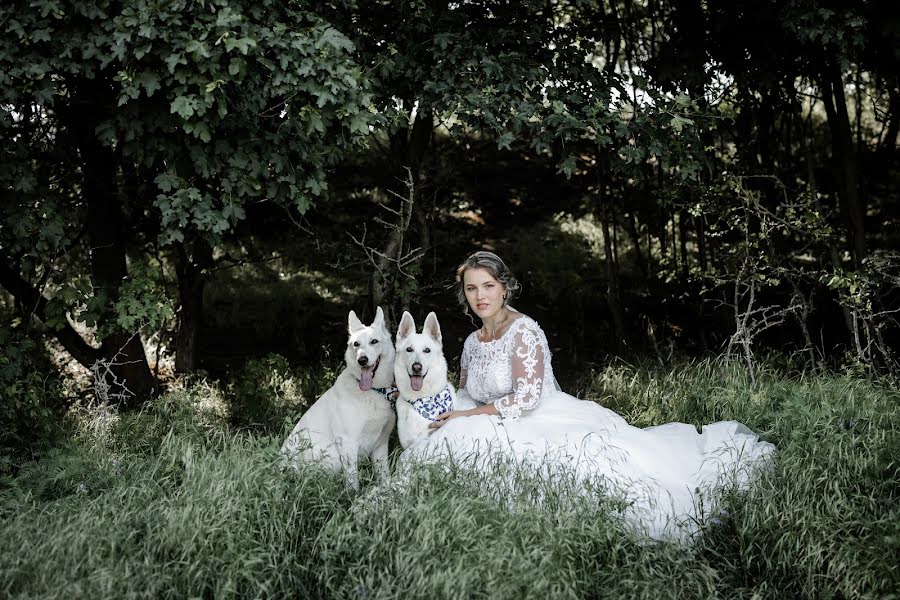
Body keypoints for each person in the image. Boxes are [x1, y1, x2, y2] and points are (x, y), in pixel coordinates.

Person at [399, 250, 775, 541]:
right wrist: (448, 413)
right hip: (482, 416)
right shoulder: (471, 341)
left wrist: (467, 417)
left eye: (488, 286)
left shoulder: (523, 332)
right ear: (464, 294)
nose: (480, 295)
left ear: (504, 288)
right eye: (471, 288)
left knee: (592, 476)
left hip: (534, 419)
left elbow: (527, 399)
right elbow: (464, 390)